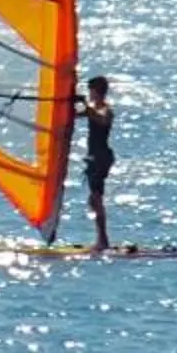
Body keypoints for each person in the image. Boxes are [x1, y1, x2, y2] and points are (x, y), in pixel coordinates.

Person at [75, 76, 117, 251]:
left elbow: (102, 120)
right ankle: (101, 239)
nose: (89, 93)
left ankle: (103, 241)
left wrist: (85, 106)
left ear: (97, 91)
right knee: (94, 200)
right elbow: (76, 115)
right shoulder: (92, 109)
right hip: (94, 158)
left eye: (90, 90)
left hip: (101, 158)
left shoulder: (106, 110)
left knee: (96, 199)